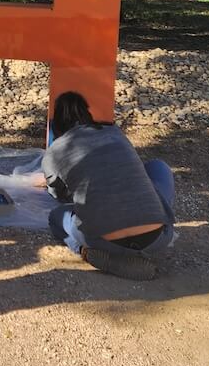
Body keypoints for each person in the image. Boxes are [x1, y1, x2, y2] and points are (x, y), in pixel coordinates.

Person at [38, 91, 175, 280]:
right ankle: (149, 224)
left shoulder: (54, 153)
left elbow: (59, 196)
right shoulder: (114, 133)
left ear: (56, 125)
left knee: (56, 218)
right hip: (158, 238)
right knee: (158, 167)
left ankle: (88, 252)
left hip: (103, 241)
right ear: (88, 115)